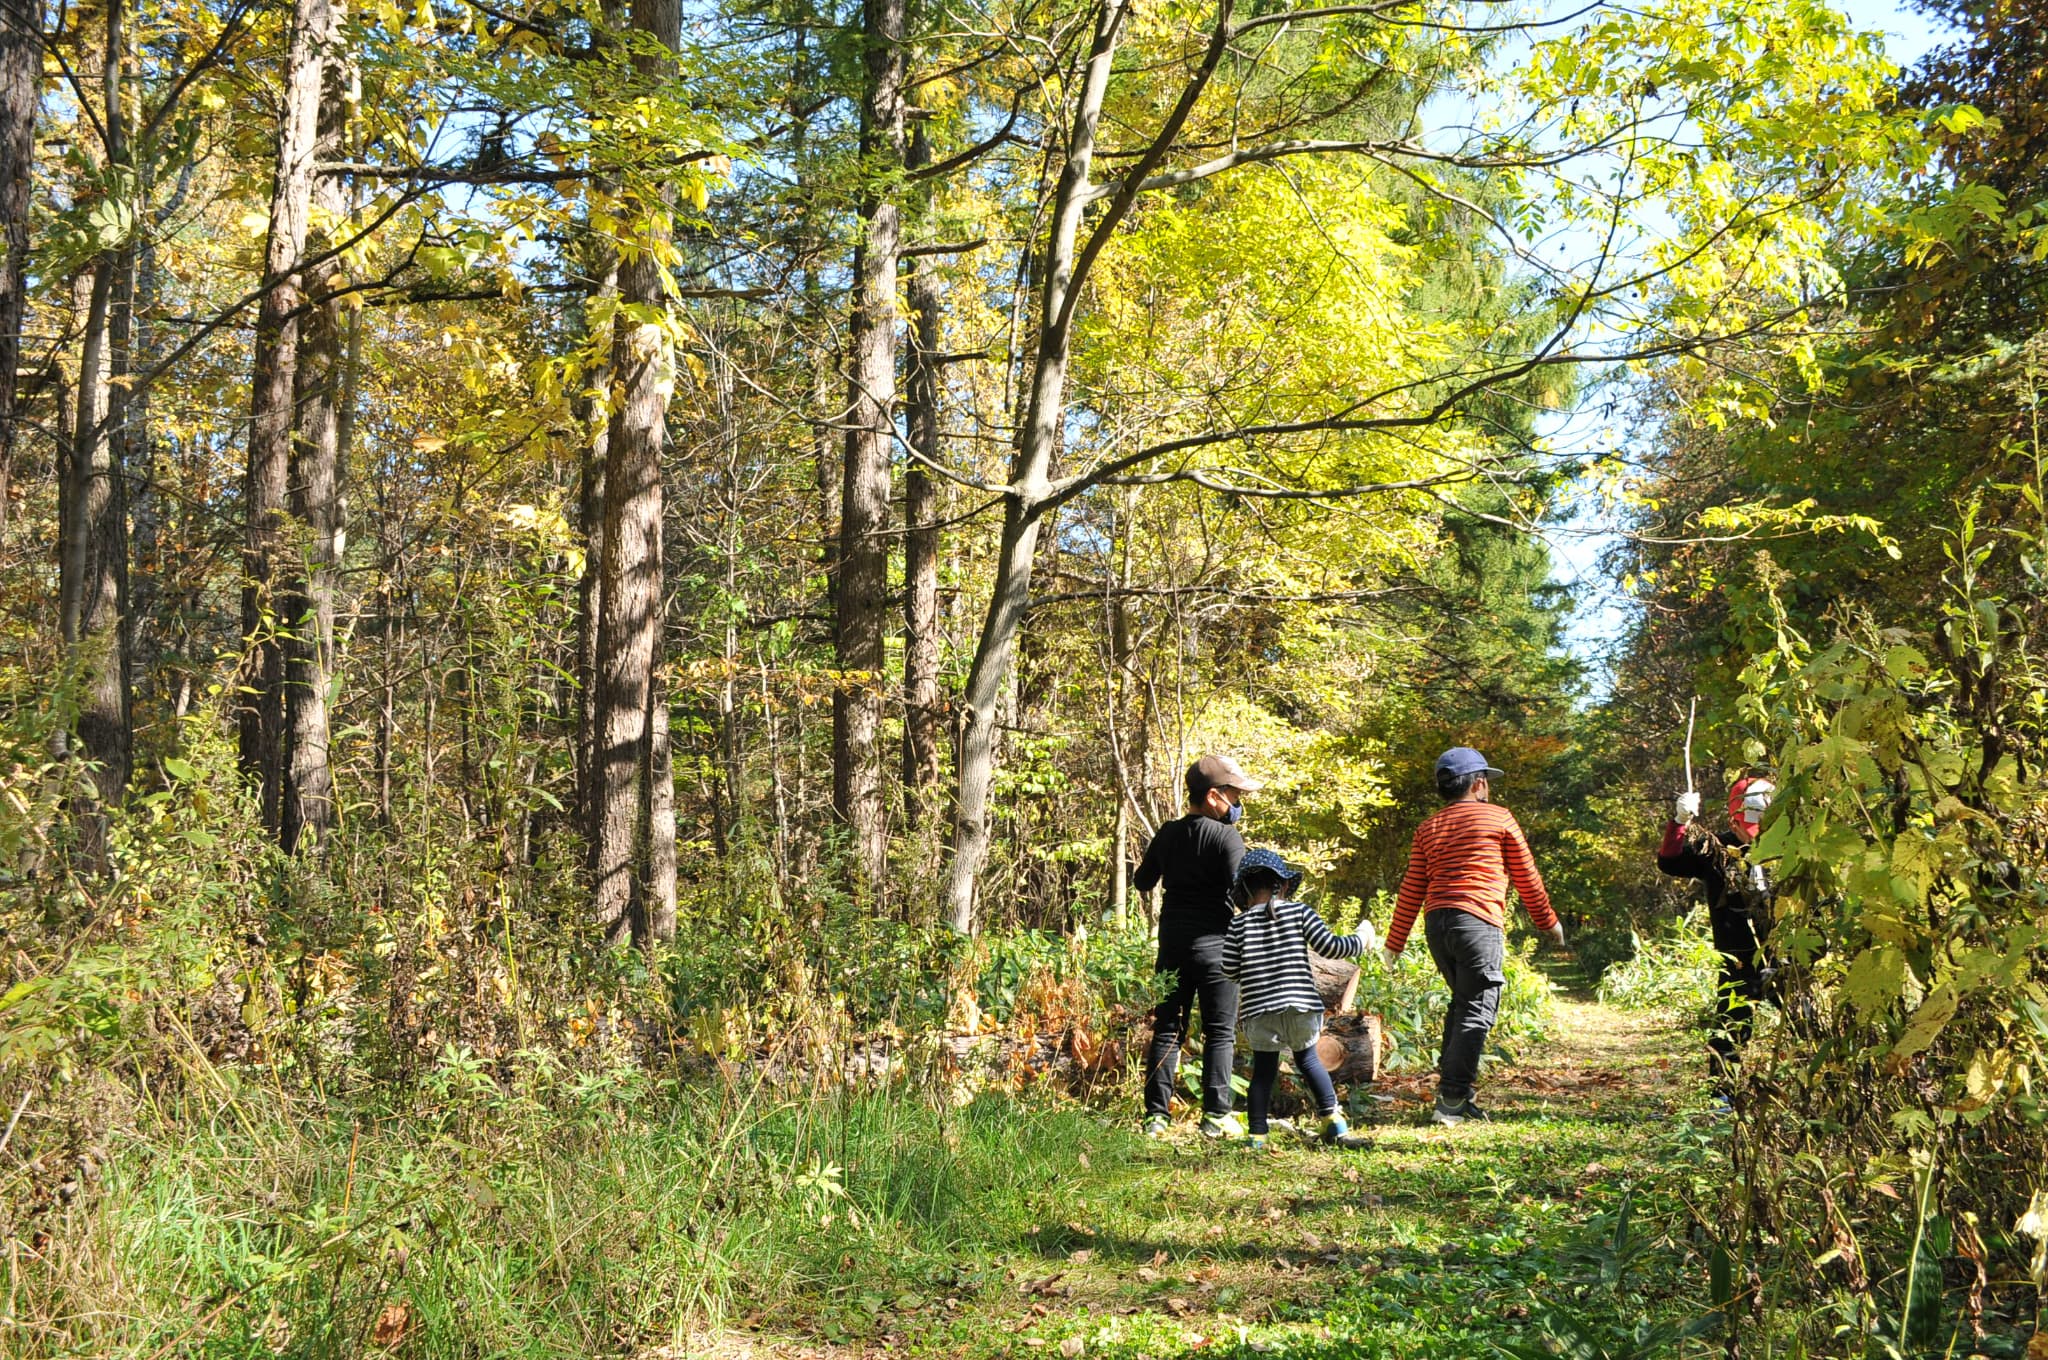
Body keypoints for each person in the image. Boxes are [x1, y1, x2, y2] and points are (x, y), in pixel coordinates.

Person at [1382, 747, 1565, 1126]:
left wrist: (1395, 942)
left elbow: (1412, 887)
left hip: (1438, 925)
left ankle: (1456, 1094)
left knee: (1462, 1005)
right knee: (1477, 1010)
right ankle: (1450, 1101)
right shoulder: (1498, 818)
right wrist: (1548, 922)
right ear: (1479, 783)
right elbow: (1526, 876)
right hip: (1477, 922)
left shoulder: (1428, 828)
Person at [1133, 754, 1258, 1138]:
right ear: (1214, 797)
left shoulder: (1168, 832)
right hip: (1217, 948)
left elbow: (1142, 881)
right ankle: (1215, 1117)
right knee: (1219, 1031)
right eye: (1234, 796)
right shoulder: (1226, 836)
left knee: (1169, 1027)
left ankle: (1156, 1117)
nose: (1238, 804)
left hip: (1172, 944)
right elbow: (1245, 894)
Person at [1222, 848, 1375, 1149]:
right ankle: (1335, 1125)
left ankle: (1256, 1136)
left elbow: (1229, 969)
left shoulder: (1238, 926)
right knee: (1309, 1061)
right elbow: (1331, 947)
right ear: (1283, 885)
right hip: (1300, 1004)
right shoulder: (1299, 912)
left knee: (1263, 1072)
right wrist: (1362, 938)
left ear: (1243, 891)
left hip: (1258, 1012)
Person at [1657, 776, 1776, 1102]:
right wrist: (1680, 822)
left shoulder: (1787, 849)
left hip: (1786, 956)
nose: (1754, 835)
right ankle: (1723, 1095)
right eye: (1747, 827)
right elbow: (1670, 862)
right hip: (1737, 954)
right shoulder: (1717, 849)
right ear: (1732, 820)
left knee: (1802, 1020)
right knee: (1731, 1026)